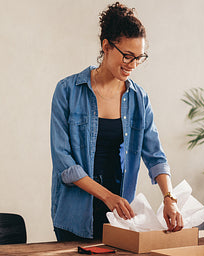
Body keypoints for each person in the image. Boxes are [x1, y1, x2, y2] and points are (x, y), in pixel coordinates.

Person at [50, 2, 183, 241]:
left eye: (139, 58)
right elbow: (64, 162)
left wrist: (169, 198)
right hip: (75, 215)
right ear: (106, 46)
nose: (132, 65)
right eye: (127, 56)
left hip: (120, 215)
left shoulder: (138, 98)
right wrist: (106, 196)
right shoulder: (68, 91)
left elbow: (155, 155)